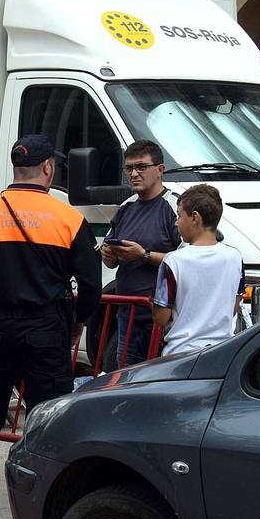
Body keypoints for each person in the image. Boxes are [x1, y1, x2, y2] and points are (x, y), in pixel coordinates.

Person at [0, 134, 100, 519]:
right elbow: (91, 286)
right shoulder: (69, 219)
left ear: (16, 168)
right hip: (47, 330)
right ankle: (44, 515)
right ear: (48, 168)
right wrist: (77, 323)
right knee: (48, 424)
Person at [100, 140, 179, 368]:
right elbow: (109, 260)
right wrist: (109, 254)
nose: (134, 174)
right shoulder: (126, 206)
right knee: (126, 380)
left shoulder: (173, 206)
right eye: (129, 168)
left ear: (160, 170)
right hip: (128, 316)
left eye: (141, 167)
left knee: (161, 380)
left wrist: (144, 255)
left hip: (166, 318)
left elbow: (190, 261)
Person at [152, 185, 244, 356]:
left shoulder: (173, 260)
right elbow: (234, 306)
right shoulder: (235, 257)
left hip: (180, 353)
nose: (176, 222)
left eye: (179, 215)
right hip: (222, 352)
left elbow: (161, 317)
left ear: (194, 217)